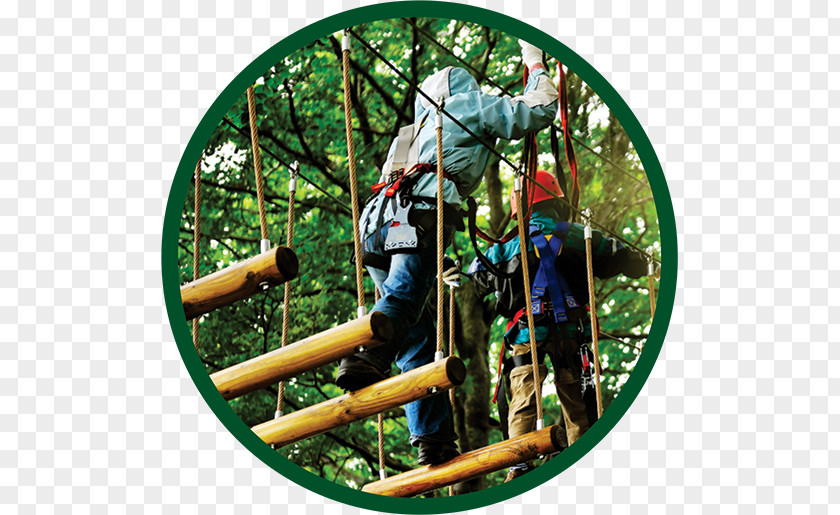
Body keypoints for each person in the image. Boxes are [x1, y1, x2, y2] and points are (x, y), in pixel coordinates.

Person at [335, 41, 559, 466]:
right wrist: (535, 61)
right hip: (419, 214)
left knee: (417, 337)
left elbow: (403, 194)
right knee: (403, 298)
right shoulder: (466, 106)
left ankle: (432, 438)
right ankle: (366, 353)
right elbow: (539, 108)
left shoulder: (410, 133)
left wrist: (436, 260)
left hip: (375, 228)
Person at [467, 170, 648, 481]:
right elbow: (621, 256)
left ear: (519, 207)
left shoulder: (506, 246)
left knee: (524, 399)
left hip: (527, 334)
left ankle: (520, 465)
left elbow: (477, 273)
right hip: (570, 334)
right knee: (578, 405)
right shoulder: (580, 234)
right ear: (557, 201)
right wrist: (645, 263)